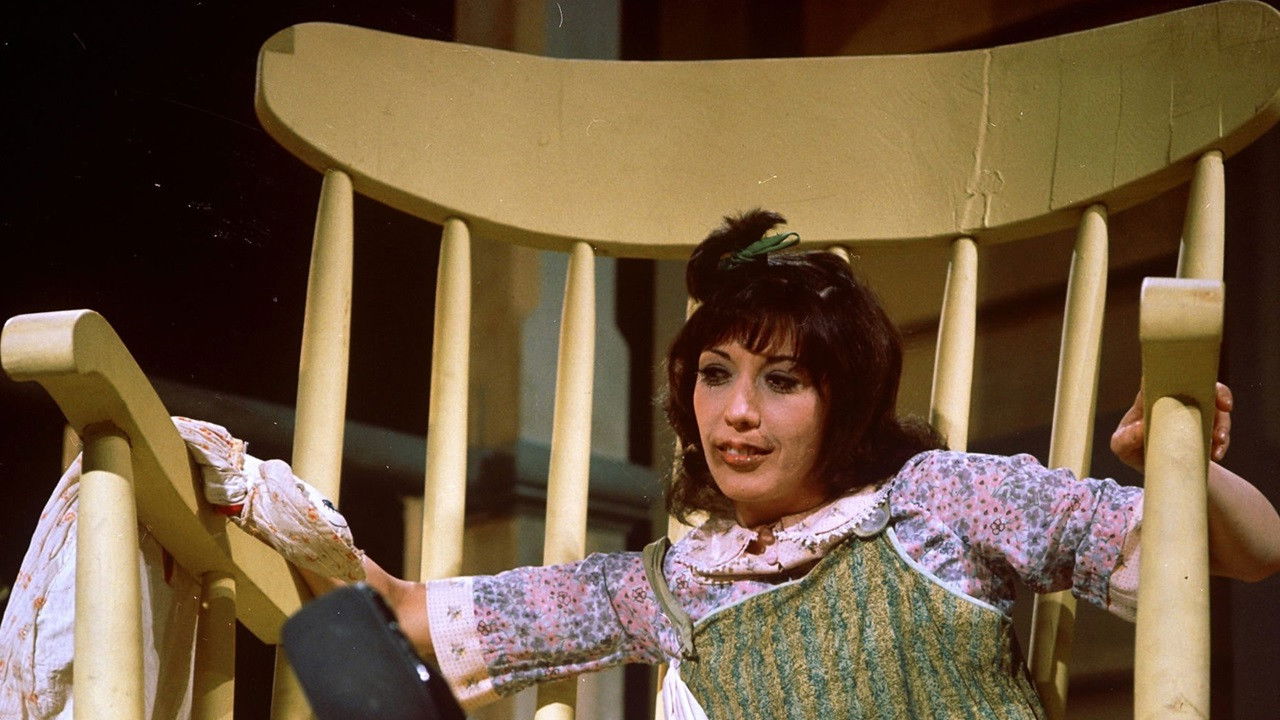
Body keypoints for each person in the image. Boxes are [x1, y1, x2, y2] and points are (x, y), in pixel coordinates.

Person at [298, 209, 1280, 719]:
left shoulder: (942, 501)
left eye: (782, 381)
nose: (736, 413)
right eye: (714, 374)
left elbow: (1250, 551)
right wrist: (261, 502)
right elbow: (418, 616)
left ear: (842, 398)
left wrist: (1179, 470)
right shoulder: (673, 582)